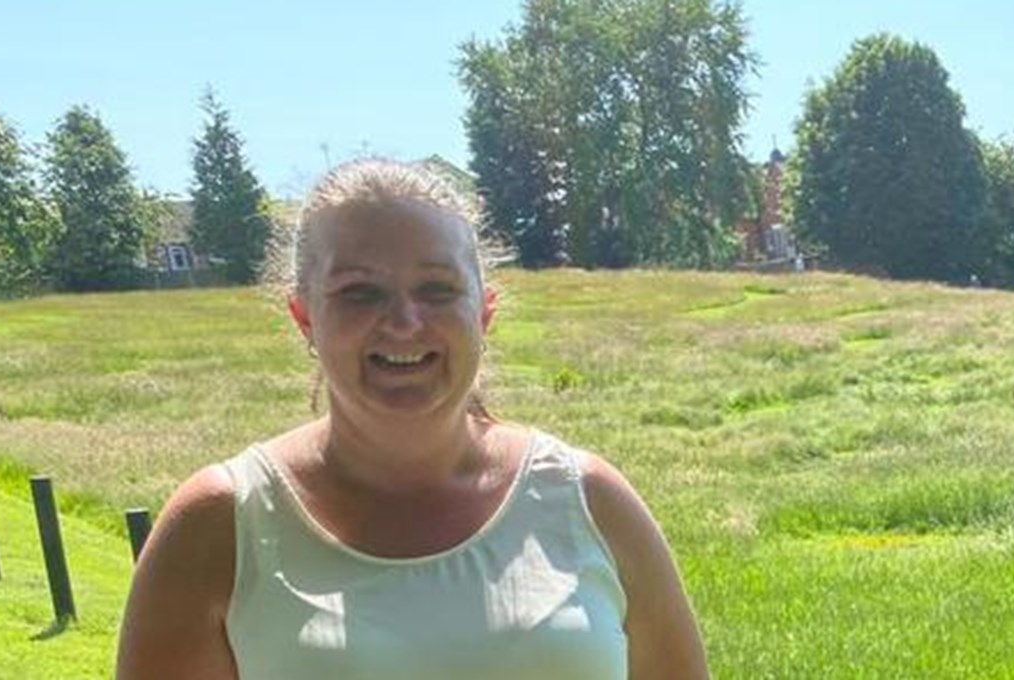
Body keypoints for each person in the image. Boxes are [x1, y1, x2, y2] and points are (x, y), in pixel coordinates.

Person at [117, 159, 710, 680]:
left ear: (485, 311)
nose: (404, 322)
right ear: (304, 317)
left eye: (437, 288)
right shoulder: (221, 525)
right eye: (359, 293)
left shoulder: (588, 501)